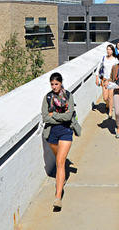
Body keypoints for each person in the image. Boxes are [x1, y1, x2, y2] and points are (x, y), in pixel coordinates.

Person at [41, 72, 75, 209]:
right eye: (52, 84)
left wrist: (54, 115)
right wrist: (60, 116)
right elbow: (45, 117)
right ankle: (62, 174)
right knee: (59, 160)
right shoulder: (47, 98)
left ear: (61, 83)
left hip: (66, 131)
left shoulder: (68, 96)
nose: (54, 87)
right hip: (52, 133)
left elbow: (68, 117)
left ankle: (58, 197)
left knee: (60, 162)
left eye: (57, 84)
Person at [95, 44, 119, 118]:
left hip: (111, 80)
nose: (108, 51)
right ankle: (107, 104)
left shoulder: (115, 60)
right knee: (105, 98)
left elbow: (118, 69)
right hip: (104, 80)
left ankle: (110, 112)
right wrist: (96, 77)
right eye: (107, 49)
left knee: (110, 96)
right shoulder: (103, 58)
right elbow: (98, 67)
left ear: (112, 51)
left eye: (110, 49)